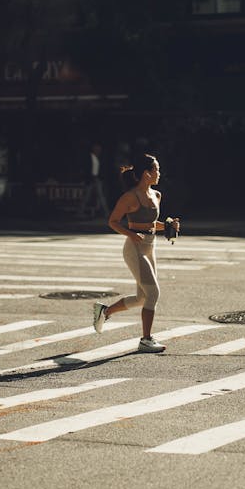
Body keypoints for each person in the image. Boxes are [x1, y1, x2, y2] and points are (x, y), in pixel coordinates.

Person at [92, 153, 180, 353]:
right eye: (156, 169)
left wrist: (168, 225)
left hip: (150, 246)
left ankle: (105, 312)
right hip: (135, 248)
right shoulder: (130, 197)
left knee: (142, 297)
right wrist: (131, 235)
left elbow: (151, 225)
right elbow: (113, 221)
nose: (159, 173)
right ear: (146, 173)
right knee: (153, 293)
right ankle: (146, 339)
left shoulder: (156, 195)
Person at [78, 142, 109, 219]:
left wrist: (100, 177)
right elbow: (86, 167)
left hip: (97, 178)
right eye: (96, 148)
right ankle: (80, 212)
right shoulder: (89, 157)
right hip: (90, 179)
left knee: (101, 196)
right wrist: (87, 177)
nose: (98, 150)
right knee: (86, 196)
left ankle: (106, 213)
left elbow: (102, 169)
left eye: (99, 148)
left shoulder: (101, 158)